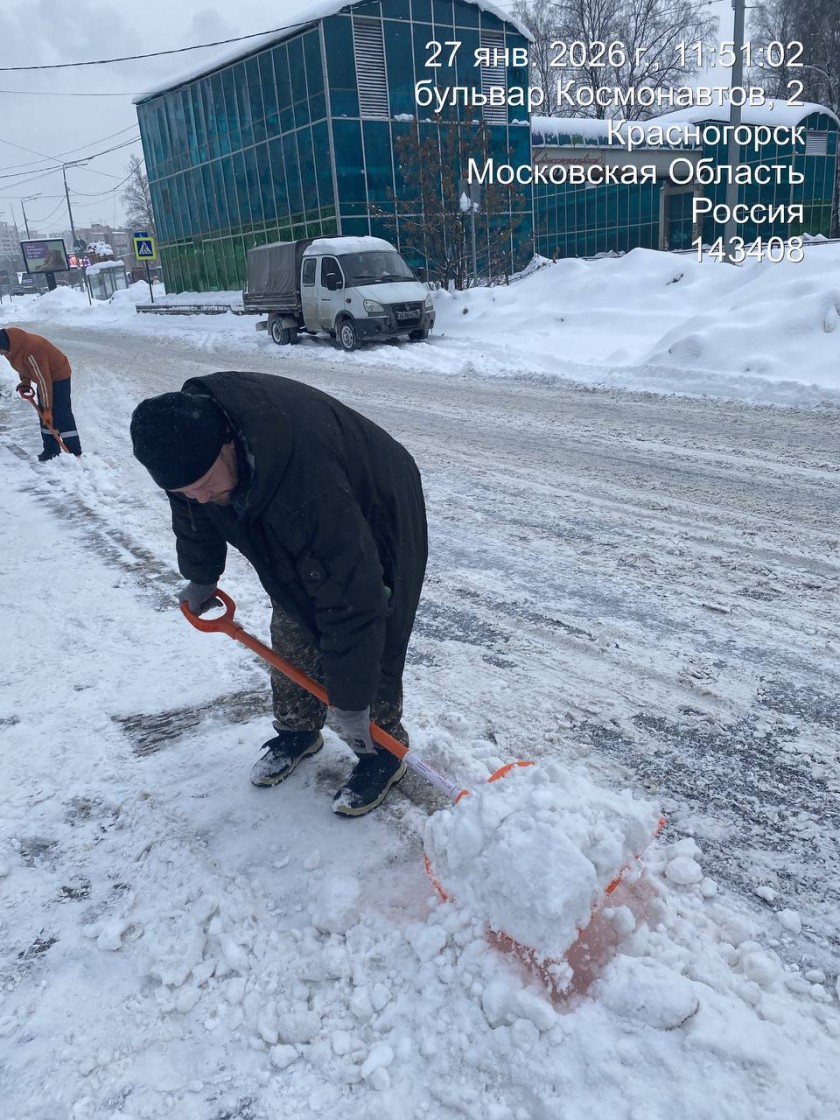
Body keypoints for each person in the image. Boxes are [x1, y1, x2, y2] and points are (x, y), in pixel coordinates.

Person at [130, 371, 427, 817]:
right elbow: (193, 512)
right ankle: (298, 729)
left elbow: (353, 599)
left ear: (228, 442)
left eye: (204, 483)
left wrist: (349, 700)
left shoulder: (309, 485)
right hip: (285, 490)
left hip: (376, 503)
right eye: (184, 490)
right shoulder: (187, 448)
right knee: (292, 612)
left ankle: (381, 750)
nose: (200, 496)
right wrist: (202, 575)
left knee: (371, 623)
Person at [0, 327, 82, 460]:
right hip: (43, 376)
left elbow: (44, 381)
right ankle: (51, 451)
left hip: (58, 373)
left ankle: (74, 452)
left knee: (60, 413)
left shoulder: (30, 349)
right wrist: (25, 382)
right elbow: (23, 366)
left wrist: (48, 409)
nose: (1, 354)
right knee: (44, 414)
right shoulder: (11, 349)